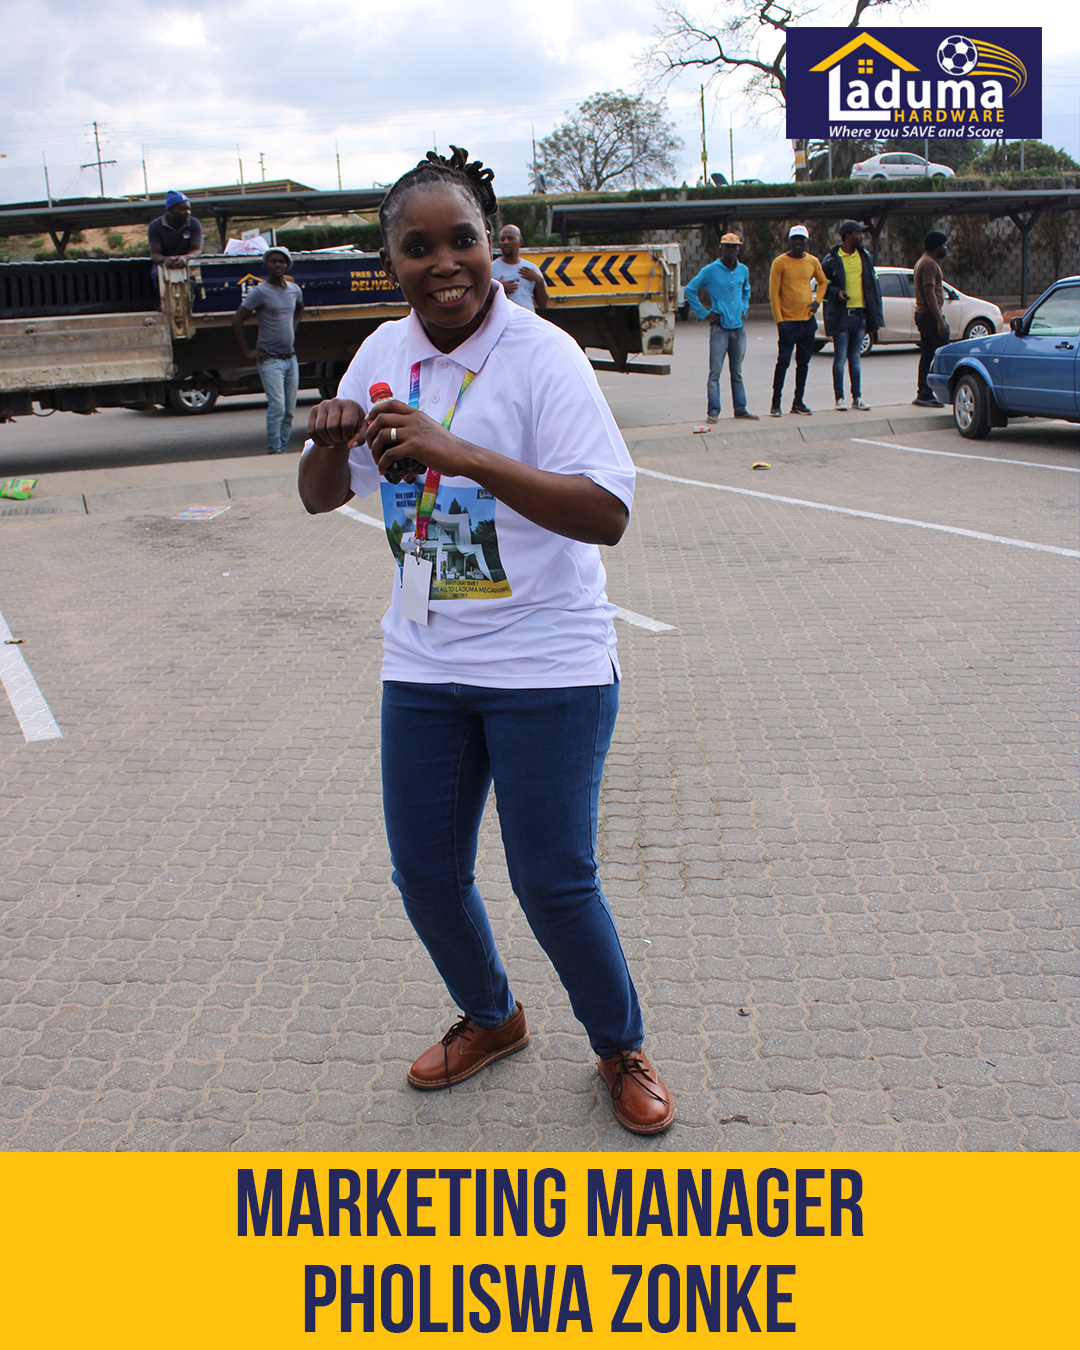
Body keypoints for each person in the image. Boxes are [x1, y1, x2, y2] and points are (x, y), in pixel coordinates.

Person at [297, 146, 674, 1136]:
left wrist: (460, 451)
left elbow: (607, 511)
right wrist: (328, 440)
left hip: (547, 662)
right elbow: (321, 496)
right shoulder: (381, 353)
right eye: (417, 248)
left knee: (553, 882)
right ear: (391, 262)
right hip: (424, 659)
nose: (444, 264)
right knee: (425, 875)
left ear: (491, 245)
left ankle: (619, 1045)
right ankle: (493, 1016)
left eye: (460, 239)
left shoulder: (543, 355)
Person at [231, 247, 305, 455]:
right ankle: (274, 450)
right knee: (277, 407)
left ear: (287, 264)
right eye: (273, 261)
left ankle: (282, 448)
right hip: (270, 360)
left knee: (289, 410)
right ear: (266, 265)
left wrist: (293, 327)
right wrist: (248, 352)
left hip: (290, 358)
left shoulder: (294, 290)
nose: (277, 265)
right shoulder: (260, 292)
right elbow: (237, 319)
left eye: (281, 261)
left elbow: (300, 308)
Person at [685, 233, 758, 422]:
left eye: (734, 247)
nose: (731, 250)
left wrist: (744, 308)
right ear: (721, 248)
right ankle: (713, 411)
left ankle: (741, 409)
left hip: (738, 329)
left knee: (737, 372)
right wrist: (703, 312)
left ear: (738, 249)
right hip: (719, 329)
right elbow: (690, 290)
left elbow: (746, 291)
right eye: (727, 246)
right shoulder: (710, 270)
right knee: (715, 373)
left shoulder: (743, 270)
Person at [768, 225, 831, 416]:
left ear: (806, 241)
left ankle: (798, 402)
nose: (798, 242)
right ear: (789, 241)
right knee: (783, 362)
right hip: (788, 322)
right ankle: (776, 402)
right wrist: (780, 321)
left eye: (801, 239)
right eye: (794, 239)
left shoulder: (812, 261)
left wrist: (817, 302)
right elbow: (774, 294)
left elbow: (823, 282)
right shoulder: (780, 262)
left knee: (803, 363)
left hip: (807, 321)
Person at [821, 220, 883, 412]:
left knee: (855, 357)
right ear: (848, 236)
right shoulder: (831, 260)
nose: (861, 236)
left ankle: (857, 397)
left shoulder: (864, 257)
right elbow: (823, 286)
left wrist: (876, 313)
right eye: (858, 233)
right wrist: (836, 293)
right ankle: (839, 398)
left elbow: (873, 285)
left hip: (860, 316)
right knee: (840, 357)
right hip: (841, 316)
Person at [912, 230, 950, 407]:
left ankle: (924, 393)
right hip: (929, 315)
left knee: (927, 355)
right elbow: (929, 292)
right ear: (937, 246)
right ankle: (937, 390)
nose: (945, 248)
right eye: (944, 245)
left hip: (923, 314)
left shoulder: (923, 261)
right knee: (943, 353)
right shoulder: (929, 264)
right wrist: (939, 320)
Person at [147, 190, 203, 284]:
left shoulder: (194, 223)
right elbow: (155, 255)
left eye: (188, 209)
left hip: (188, 262)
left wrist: (185, 258)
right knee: (157, 275)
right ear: (170, 210)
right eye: (182, 209)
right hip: (164, 264)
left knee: (198, 279)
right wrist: (165, 260)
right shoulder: (155, 226)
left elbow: (197, 250)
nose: (187, 212)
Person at [490, 224, 548, 312]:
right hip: (504, 319)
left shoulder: (531, 268)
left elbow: (543, 304)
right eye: (502, 239)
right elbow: (481, 301)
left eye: (510, 238)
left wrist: (540, 281)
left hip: (527, 319)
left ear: (520, 241)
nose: (505, 242)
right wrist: (499, 289)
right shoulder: (491, 268)